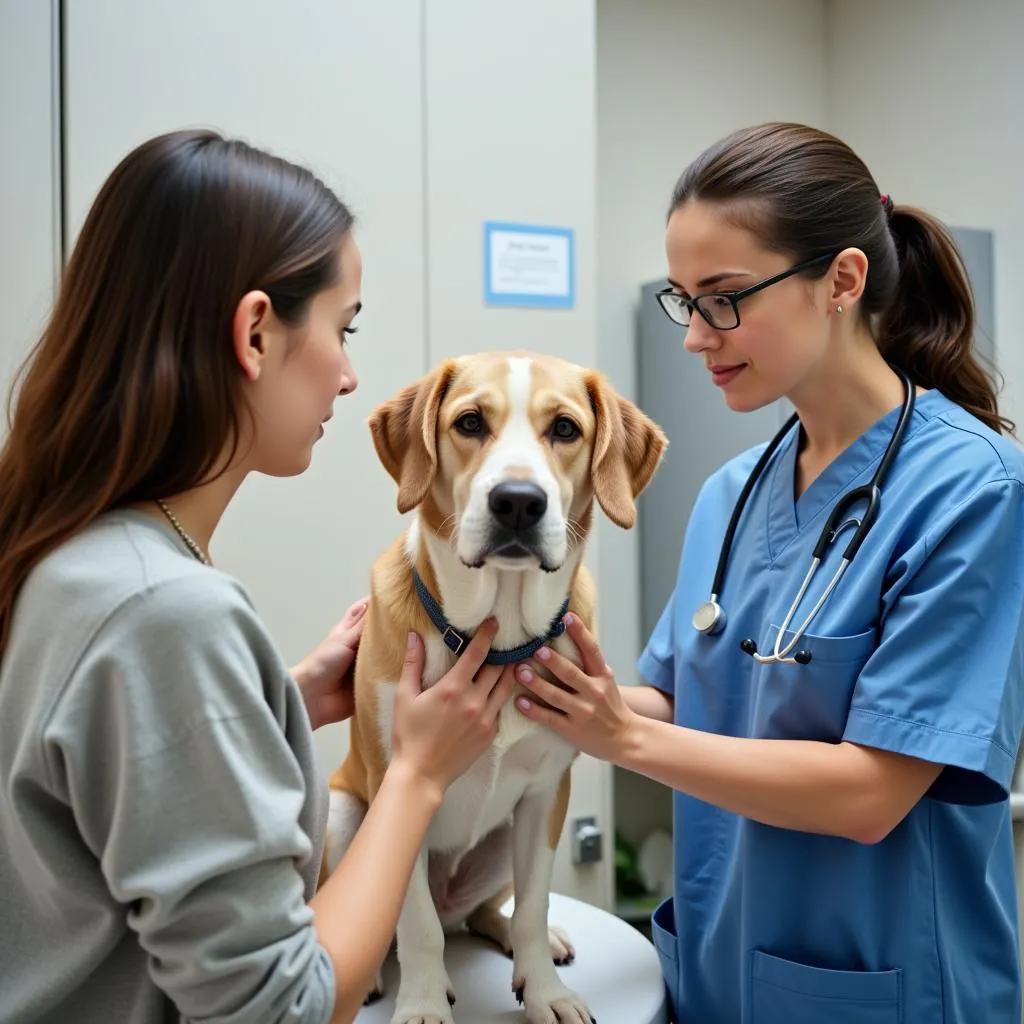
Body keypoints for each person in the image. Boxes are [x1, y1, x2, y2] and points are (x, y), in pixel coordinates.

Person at [0, 128, 519, 1024]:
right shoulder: (165, 611)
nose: (351, 376)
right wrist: (417, 775)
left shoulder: (69, 555)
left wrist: (283, 702)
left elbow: (86, 795)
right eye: (341, 328)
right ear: (254, 332)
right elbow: (281, 1011)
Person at [514, 121, 1024, 1023]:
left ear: (843, 280)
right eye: (684, 301)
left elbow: (872, 793)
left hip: (886, 987)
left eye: (725, 297)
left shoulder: (974, 489)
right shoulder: (732, 492)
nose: (695, 337)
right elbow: (688, 704)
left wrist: (618, 738)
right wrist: (527, 679)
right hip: (720, 971)